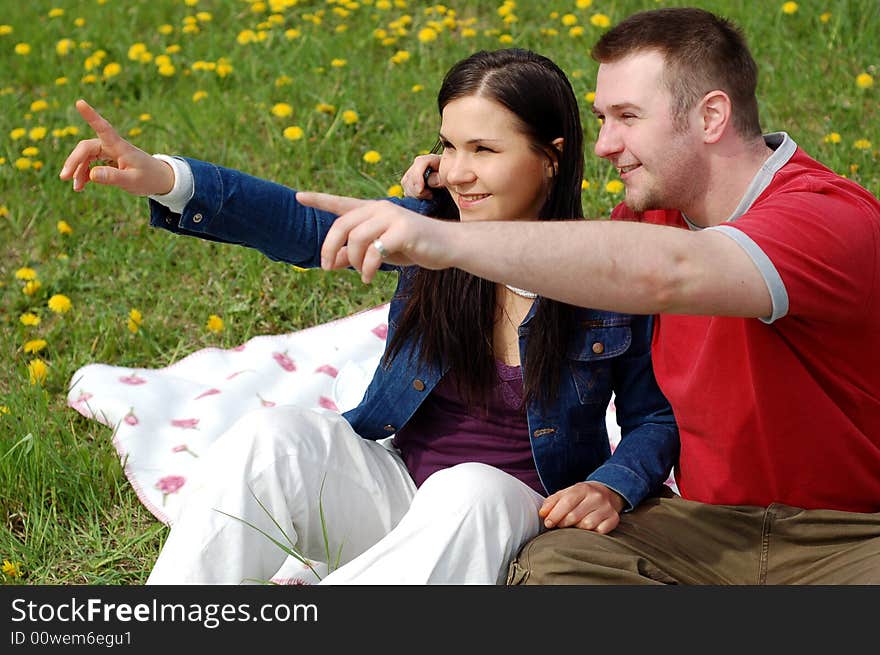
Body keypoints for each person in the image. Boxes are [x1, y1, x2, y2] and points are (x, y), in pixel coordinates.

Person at [297, 7, 880, 585]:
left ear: (711, 116)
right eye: (602, 117)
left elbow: (668, 272)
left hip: (844, 534)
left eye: (627, 116)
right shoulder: (649, 219)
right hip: (705, 531)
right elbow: (582, 258)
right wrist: (456, 193)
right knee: (552, 563)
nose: (604, 144)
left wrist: (446, 238)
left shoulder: (825, 218)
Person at [59, 48, 678, 584]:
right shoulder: (428, 230)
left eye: (484, 150)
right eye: (449, 146)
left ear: (551, 157)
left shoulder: (604, 271)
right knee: (274, 436)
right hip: (400, 502)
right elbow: (301, 223)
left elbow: (654, 417)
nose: (459, 173)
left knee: (469, 487)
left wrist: (612, 484)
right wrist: (165, 178)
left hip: (515, 528)